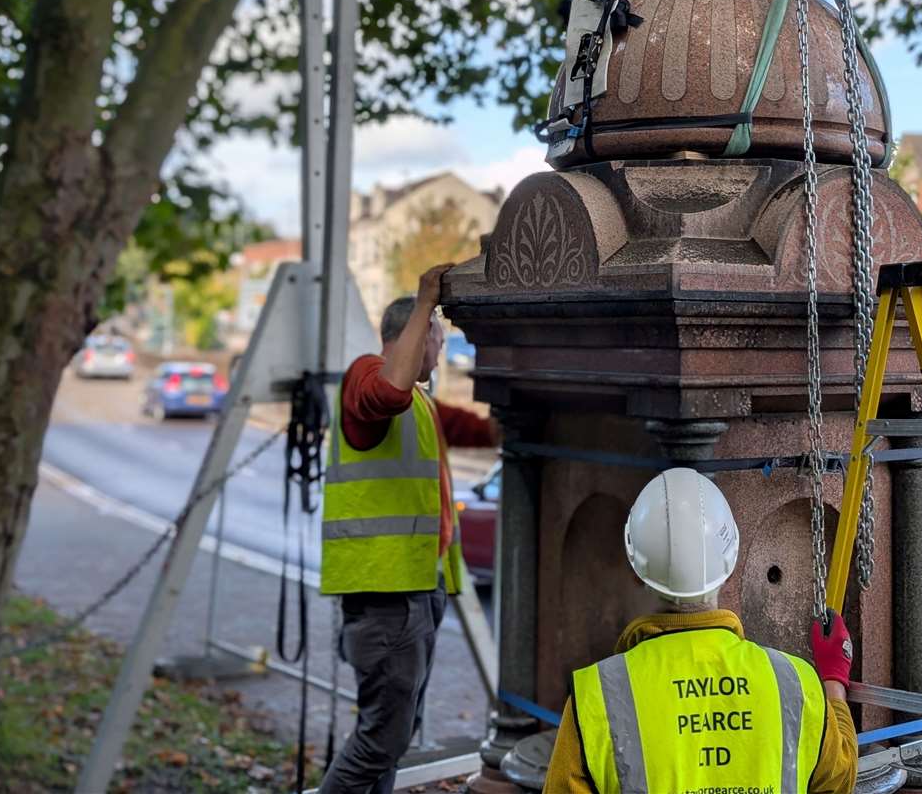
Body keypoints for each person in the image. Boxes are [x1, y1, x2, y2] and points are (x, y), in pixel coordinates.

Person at [543, 467, 860, 794]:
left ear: (636, 571)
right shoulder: (796, 684)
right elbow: (839, 780)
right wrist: (833, 682)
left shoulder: (595, 696)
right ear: (732, 561)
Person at [318, 263, 499, 794]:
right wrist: (427, 300)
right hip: (386, 593)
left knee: (393, 737)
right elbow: (387, 394)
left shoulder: (421, 402)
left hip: (414, 590)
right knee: (381, 740)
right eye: (436, 341)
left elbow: (484, 429)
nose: (439, 354)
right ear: (415, 335)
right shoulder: (366, 377)